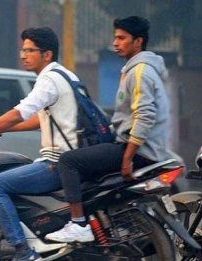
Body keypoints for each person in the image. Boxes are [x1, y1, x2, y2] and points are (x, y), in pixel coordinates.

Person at [0, 27, 81, 261]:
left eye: (30, 50)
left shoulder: (49, 80)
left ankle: (22, 252)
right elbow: (38, 121)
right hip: (71, 158)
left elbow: (19, 113)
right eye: (22, 50)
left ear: (47, 54)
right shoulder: (66, 75)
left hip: (57, 162)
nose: (23, 55)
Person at [45, 16, 171, 243]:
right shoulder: (134, 69)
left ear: (138, 41)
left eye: (122, 38)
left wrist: (127, 158)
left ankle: (78, 224)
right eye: (115, 37)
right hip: (132, 146)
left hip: (138, 151)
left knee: (68, 161)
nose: (115, 42)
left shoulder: (140, 71)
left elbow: (145, 116)